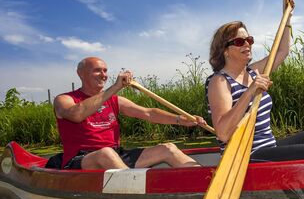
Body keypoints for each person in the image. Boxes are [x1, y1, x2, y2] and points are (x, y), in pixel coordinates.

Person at [205, 0, 304, 162]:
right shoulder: (219, 82)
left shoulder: (253, 71)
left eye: (249, 40)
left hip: (269, 148)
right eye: (240, 41)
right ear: (225, 50)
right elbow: (223, 133)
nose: (247, 44)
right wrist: (250, 92)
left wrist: (287, 17)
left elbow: (282, 52)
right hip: (246, 156)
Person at [52, 56, 206, 170]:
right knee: (105, 154)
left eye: (105, 71)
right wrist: (114, 87)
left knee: (168, 149)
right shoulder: (64, 99)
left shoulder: (115, 100)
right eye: (97, 70)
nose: (103, 75)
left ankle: (204, 183)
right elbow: (76, 115)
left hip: (116, 155)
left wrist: (180, 119)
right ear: (81, 74)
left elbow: (148, 113)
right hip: (81, 160)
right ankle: (137, 193)